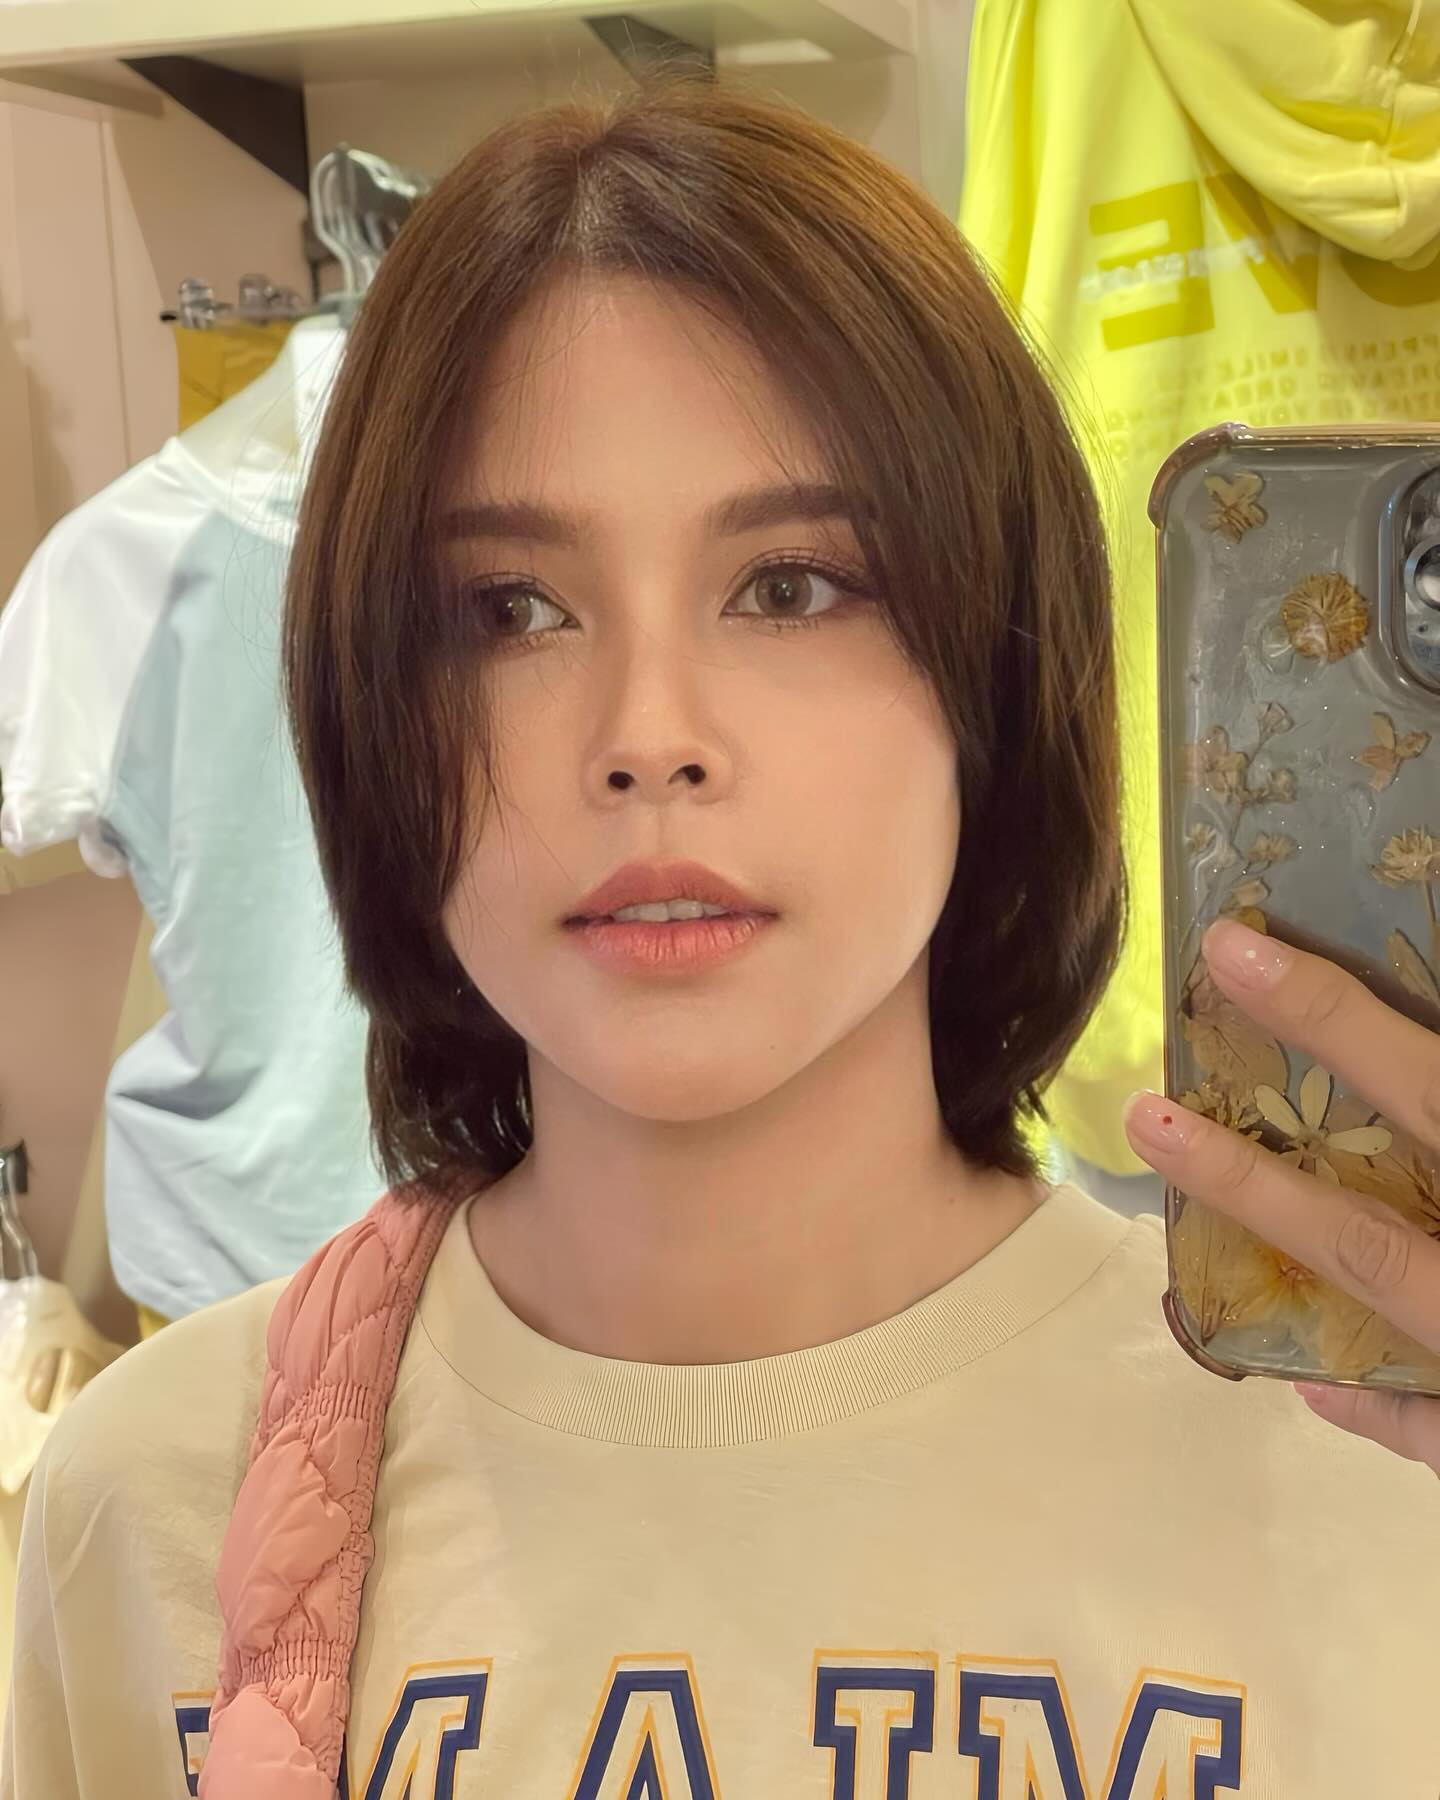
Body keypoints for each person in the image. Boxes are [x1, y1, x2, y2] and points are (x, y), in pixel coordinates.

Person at [6, 78, 1440, 1800]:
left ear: (994, 669)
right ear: (372, 710)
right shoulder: (145, 1514)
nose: (649, 735)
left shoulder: (1366, 1468)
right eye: (511, 610)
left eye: (791, 585)